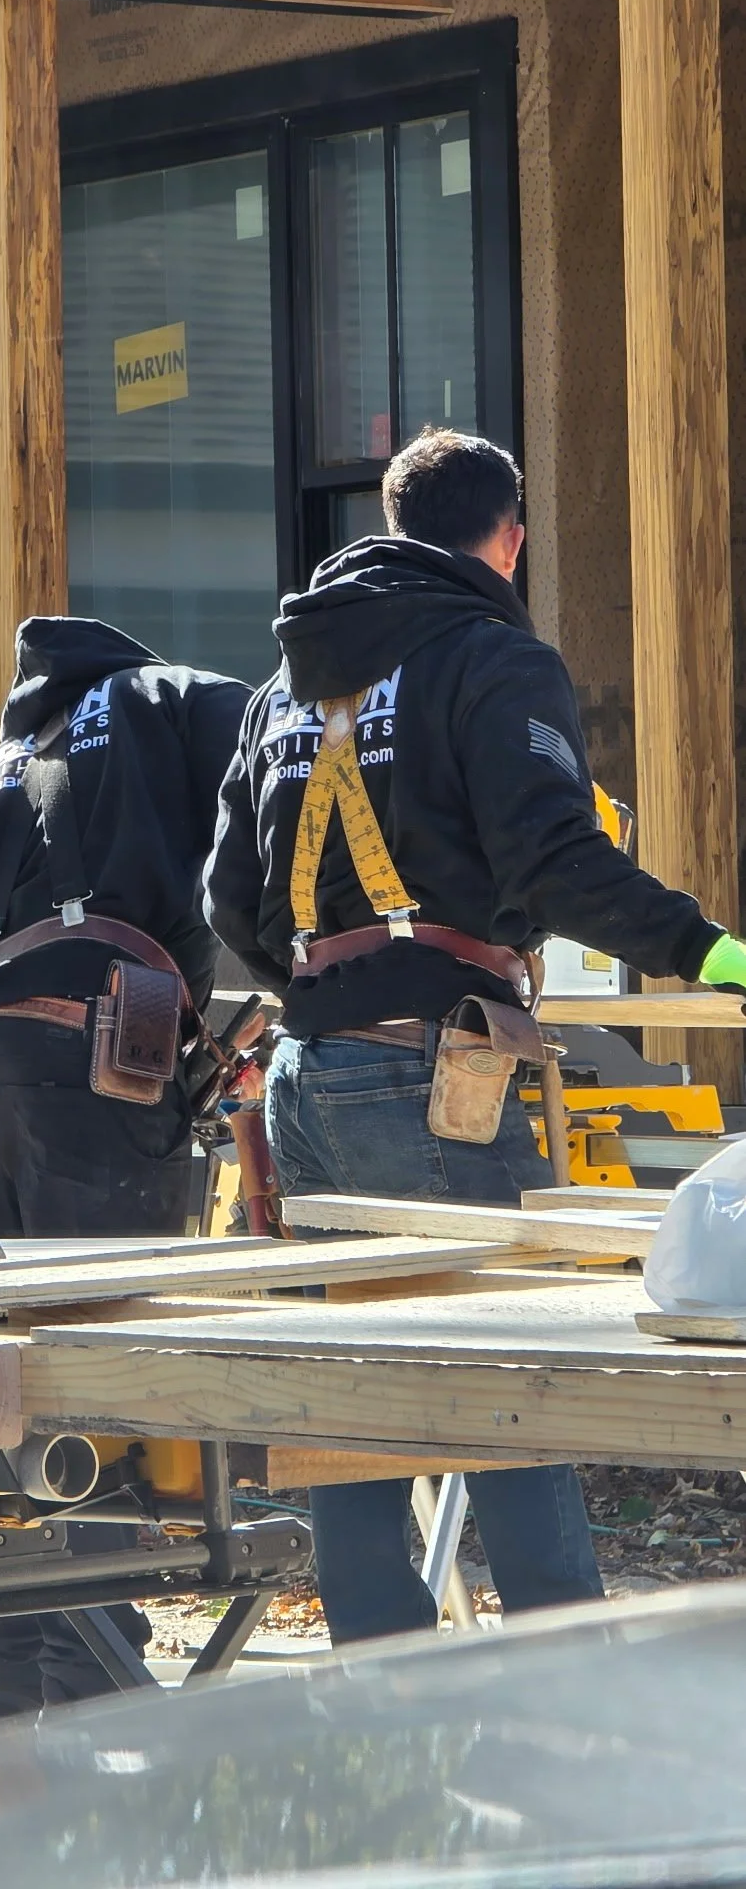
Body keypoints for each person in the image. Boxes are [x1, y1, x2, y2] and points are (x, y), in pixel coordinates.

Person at [203, 424, 746, 1647]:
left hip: (306, 1068)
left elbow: (227, 904)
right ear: (507, 538)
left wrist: (325, 990)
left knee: (355, 1390)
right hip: (430, 1069)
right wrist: (711, 952)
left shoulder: (283, 684)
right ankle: (562, 1684)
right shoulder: (490, 656)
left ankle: (383, 1691)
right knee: (506, 1387)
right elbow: (555, 858)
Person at [0, 613, 250, 1717]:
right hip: (97, 1055)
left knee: (7, 1377)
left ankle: (10, 1693)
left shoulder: (3, 759)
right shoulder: (169, 697)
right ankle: (92, 1688)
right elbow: (291, 753)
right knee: (98, 1369)